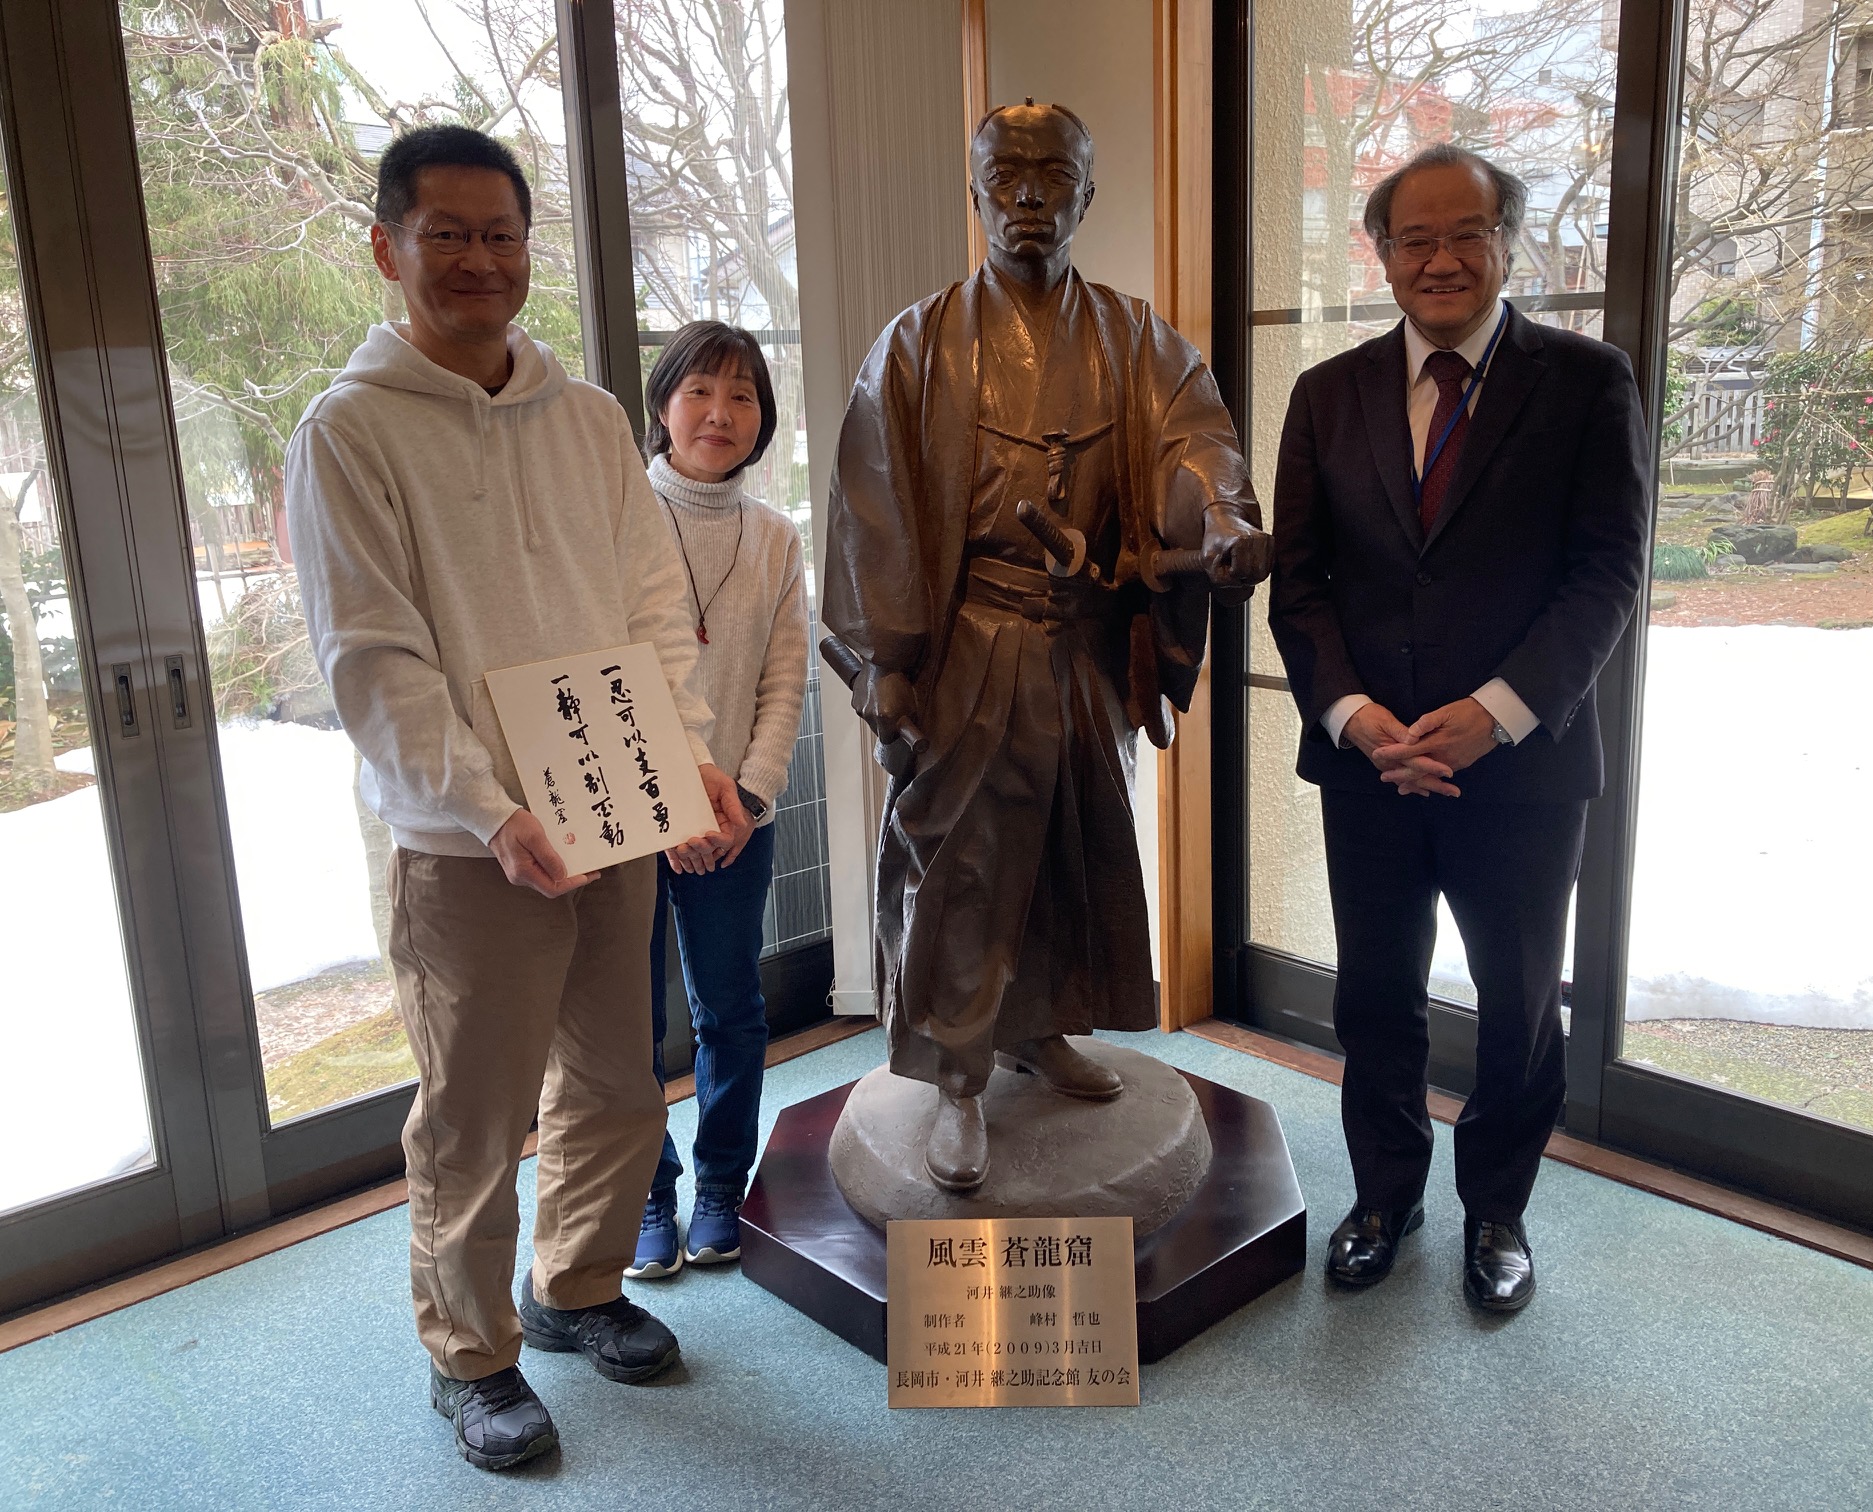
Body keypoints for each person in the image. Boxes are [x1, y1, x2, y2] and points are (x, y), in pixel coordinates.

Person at [286, 125, 746, 1471]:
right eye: (447, 234)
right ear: (388, 249)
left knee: (617, 1082)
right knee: (475, 1116)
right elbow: (373, 659)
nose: (479, 259)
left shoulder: (589, 418)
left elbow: (653, 607)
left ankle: (576, 1288)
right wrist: (489, 809)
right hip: (465, 841)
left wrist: (686, 755)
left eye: (501, 235)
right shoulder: (349, 432)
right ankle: (470, 1355)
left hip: (612, 805)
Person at [824, 101, 1271, 1192]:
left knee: (1073, 845)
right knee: (967, 858)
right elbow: (873, 502)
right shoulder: (919, 344)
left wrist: (1220, 516)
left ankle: (1039, 1025)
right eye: (1006, 174)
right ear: (976, 190)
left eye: (1054, 175)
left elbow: (1194, 440)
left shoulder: (1134, 338)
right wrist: (888, 659)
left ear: (1086, 194)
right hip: (971, 637)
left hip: (1085, 640)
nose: (1029, 195)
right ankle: (959, 1076)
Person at [1267, 143, 1650, 1314]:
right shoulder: (1326, 394)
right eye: (1414, 239)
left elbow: (1606, 574)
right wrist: (1353, 716)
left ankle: (1498, 1209)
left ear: (1506, 243)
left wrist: (1498, 714)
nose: (1441, 259)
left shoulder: (1586, 381)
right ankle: (1386, 1196)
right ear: (1381, 255)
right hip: (1372, 766)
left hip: (1523, 772)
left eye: (1466, 234)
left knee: (1519, 1002)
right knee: (1375, 995)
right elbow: (1300, 583)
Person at [624, 322, 808, 1279]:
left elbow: (784, 681)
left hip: (739, 817)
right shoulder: (618, 519)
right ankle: (645, 1192)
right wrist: (668, 804)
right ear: (663, 404)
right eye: (699, 390)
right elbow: (615, 676)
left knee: (730, 1008)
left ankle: (719, 1189)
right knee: (626, 1021)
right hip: (630, 814)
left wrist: (752, 795)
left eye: (742, 396)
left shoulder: (775, 538)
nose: (719, 413)